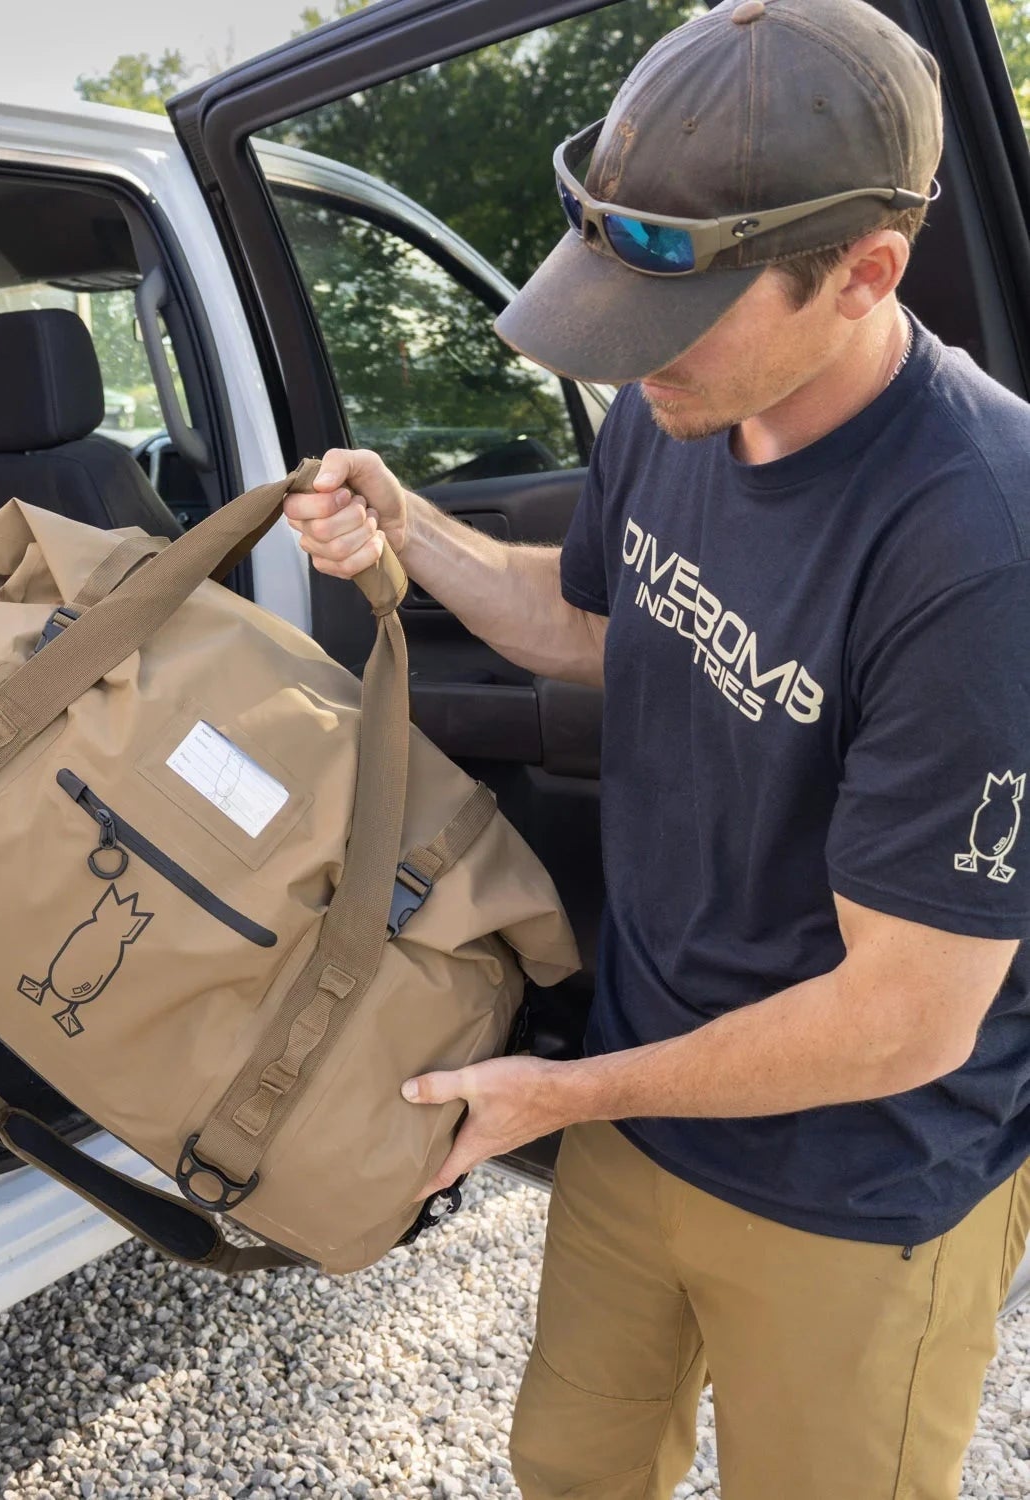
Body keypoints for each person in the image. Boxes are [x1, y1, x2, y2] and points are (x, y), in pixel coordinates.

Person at [282, 1, 1030, 1495]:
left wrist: (554, 1099)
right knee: (571, 1468)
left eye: (670, 326)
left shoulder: (980, 544)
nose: (636, 367)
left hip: (858, 1179)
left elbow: (908, 1021)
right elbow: (595, 635)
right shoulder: (676, 411)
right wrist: (404, 521)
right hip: (645, 1103)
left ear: (866, 272)